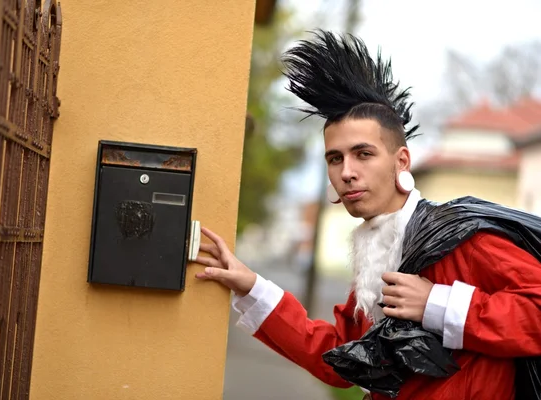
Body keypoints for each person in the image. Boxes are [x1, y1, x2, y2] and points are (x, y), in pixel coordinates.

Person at [193, 30, 541, 400]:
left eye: (363, 154)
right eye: (335, 158)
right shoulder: (374, 247)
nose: (346, 172)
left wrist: (437, 304)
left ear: (401, 161)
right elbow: (340, 360)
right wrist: (251, 286)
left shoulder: (460, 237)